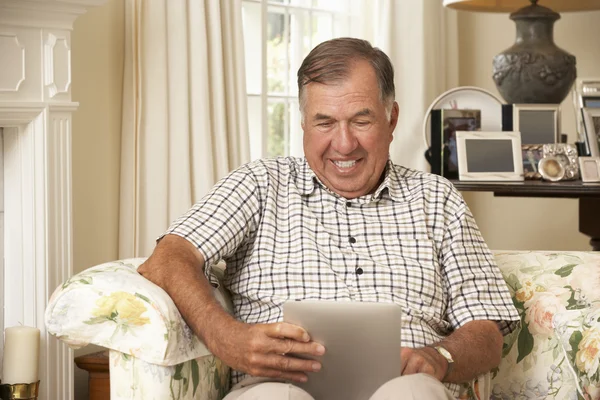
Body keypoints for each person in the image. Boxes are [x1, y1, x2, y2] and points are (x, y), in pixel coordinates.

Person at [138, 38, 519, 400]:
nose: (343, 144)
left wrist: (440, 356)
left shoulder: (437, 199)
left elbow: (486, 330)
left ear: (392, 118)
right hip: (275, 386)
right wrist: (227, 337)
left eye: (361, 120)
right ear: (303, 123)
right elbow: (169, 257)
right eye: (324, 122)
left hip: (406, 386)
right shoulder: (259, 184)